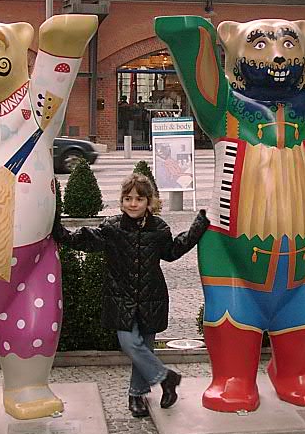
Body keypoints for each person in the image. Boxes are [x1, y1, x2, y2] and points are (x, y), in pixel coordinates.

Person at [53, 173, 209, 418]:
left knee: (144, 347)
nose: (133, 204)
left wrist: (198, 227)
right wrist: (55, 227)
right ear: (121, 201)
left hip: (151, 298)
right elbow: (82, 240)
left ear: (149, 202)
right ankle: (166, 378)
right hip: (120, 298)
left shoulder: (159, 228)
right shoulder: (112, 228)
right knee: (129, 343)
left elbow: (172, 252)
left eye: (138, 199)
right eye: (128, 198)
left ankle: (137, 394)